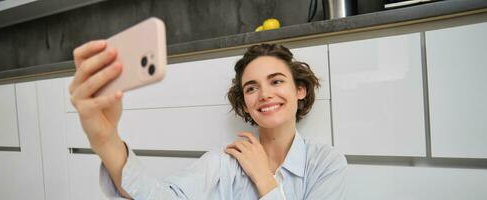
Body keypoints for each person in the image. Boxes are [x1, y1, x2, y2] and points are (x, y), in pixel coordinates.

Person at [69, 41, 347, 199]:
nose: (264, 94)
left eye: (276, 81)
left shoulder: (326, 164)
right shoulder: (224, 162)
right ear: (246, 105)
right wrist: (105, 140)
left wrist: (263, 177)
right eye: (251, 87)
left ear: (300, 90)